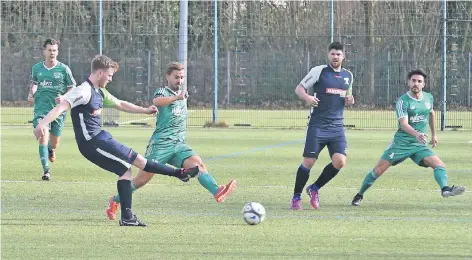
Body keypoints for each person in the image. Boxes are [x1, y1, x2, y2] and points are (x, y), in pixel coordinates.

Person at [33, 55, 199, 226]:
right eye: (109, 75)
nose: (111, 78)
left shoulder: (99, 91)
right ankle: (179, 173)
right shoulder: (83, 91)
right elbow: (61, 107)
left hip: (100, 138)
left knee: (125, 172)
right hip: (93, 142)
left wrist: (145, 110)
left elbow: (120, 104)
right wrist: (42, 125)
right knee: (140, 161)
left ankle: (127, 217)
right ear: (99, 73)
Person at [105, 61, 236, 220]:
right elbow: (157, 102)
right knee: (141, 180)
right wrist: (176, 97)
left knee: (198, 165)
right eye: (176, 77)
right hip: (160, 144)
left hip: (179, 145)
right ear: (167, 76)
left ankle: (217, 191)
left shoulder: (182, 95)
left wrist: (179, 97)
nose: (179, 81)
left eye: (181, 78)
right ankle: (115, 200)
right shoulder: (163, 91)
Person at [351, 69, 466, 206]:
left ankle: (445, 189)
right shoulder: (402, 101)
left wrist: (434, 134)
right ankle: (359, 194)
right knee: (378, 170)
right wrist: (417, 134)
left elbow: (432, 113)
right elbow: (404, 124)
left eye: (419, 81)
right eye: (413, 81)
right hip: (401, 143)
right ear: (408, 82)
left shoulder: (428, 98)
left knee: (439, 165)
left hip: (419, 145)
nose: (416, 84)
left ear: (424, 84)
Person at [291, 41, 355, 210]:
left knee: (340, 162)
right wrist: (308, 98)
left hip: (337, 126)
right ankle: (296, 197)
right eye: (333, 54)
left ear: (343, 56)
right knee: (309, 161)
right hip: (318, 124)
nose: (335, 57)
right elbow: (299, 88)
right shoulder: (319, 71)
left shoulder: (348, 75)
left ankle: (314, 188)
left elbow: (347, 97)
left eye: (338, 54)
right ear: (328, 55)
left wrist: (350, 100)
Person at [28, 38, 76, 181]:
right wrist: (31, 93)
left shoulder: (64, 69)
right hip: (41, 108)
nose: (52, 53)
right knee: (43, 135)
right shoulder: (37, 68)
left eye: (54, 50)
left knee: (54, 142)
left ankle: (51, 149)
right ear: (44, 51)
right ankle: (46, 170)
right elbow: (35, 84)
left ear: (57, 52)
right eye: (49, 50)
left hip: (57, 110)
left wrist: (64, 97)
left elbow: (72, 87)